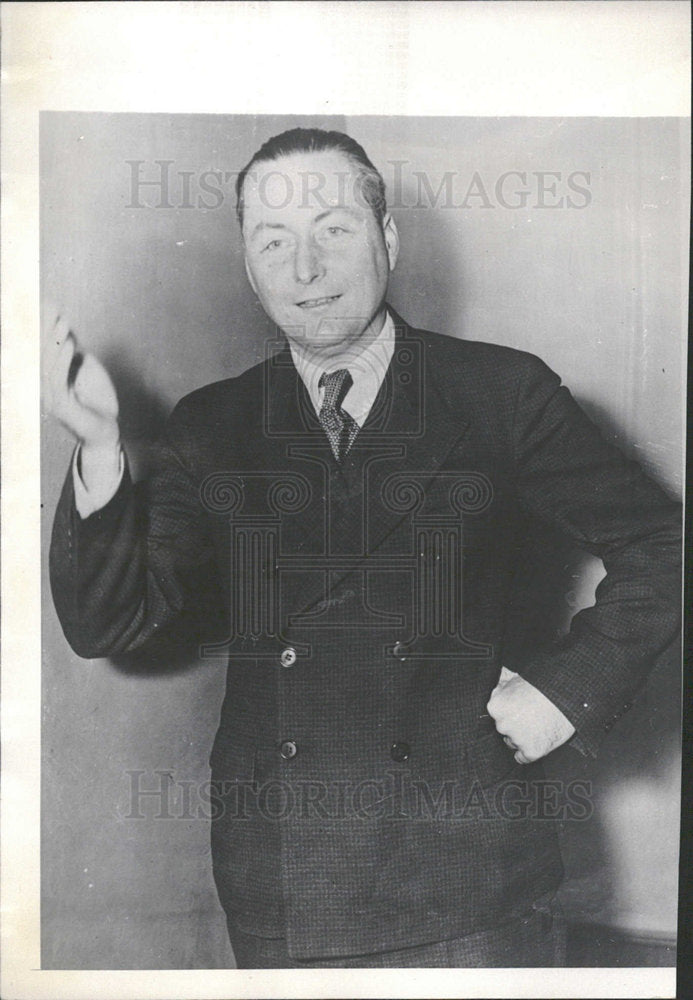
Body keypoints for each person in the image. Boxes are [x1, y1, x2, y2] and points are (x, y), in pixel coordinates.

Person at [46, 127, 681, 968]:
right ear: (247, 263)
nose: (305, 270)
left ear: (386, 239)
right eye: (274, 242)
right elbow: (106, 625)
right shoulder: (212, 423)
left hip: (463, 875)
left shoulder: (498, 392)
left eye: (334, 230)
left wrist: (562, 696)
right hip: (283, 878)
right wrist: (98, 450)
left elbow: (663, 546)